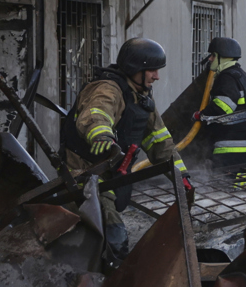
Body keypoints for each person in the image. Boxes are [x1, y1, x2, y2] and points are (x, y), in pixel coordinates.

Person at [60, 37, 189, 260]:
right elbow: (96, 113)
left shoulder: (141, 97)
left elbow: (160, 142)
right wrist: (100, 133)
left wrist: (181, 176)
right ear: (135, 68)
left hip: (113, 176)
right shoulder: (108, 89)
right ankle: (107, 279)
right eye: (152, 70)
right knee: (113, 239)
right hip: (85, 174)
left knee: (100, 237)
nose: (157, 76)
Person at [194, 36, 246, 168]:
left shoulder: (227, 78)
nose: (210, 59)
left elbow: (223, 107)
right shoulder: (243, 76)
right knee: (241, 180)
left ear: (223, 57)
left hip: (230, 149)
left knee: (223, 181)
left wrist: (201, 115)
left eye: (213, 55)